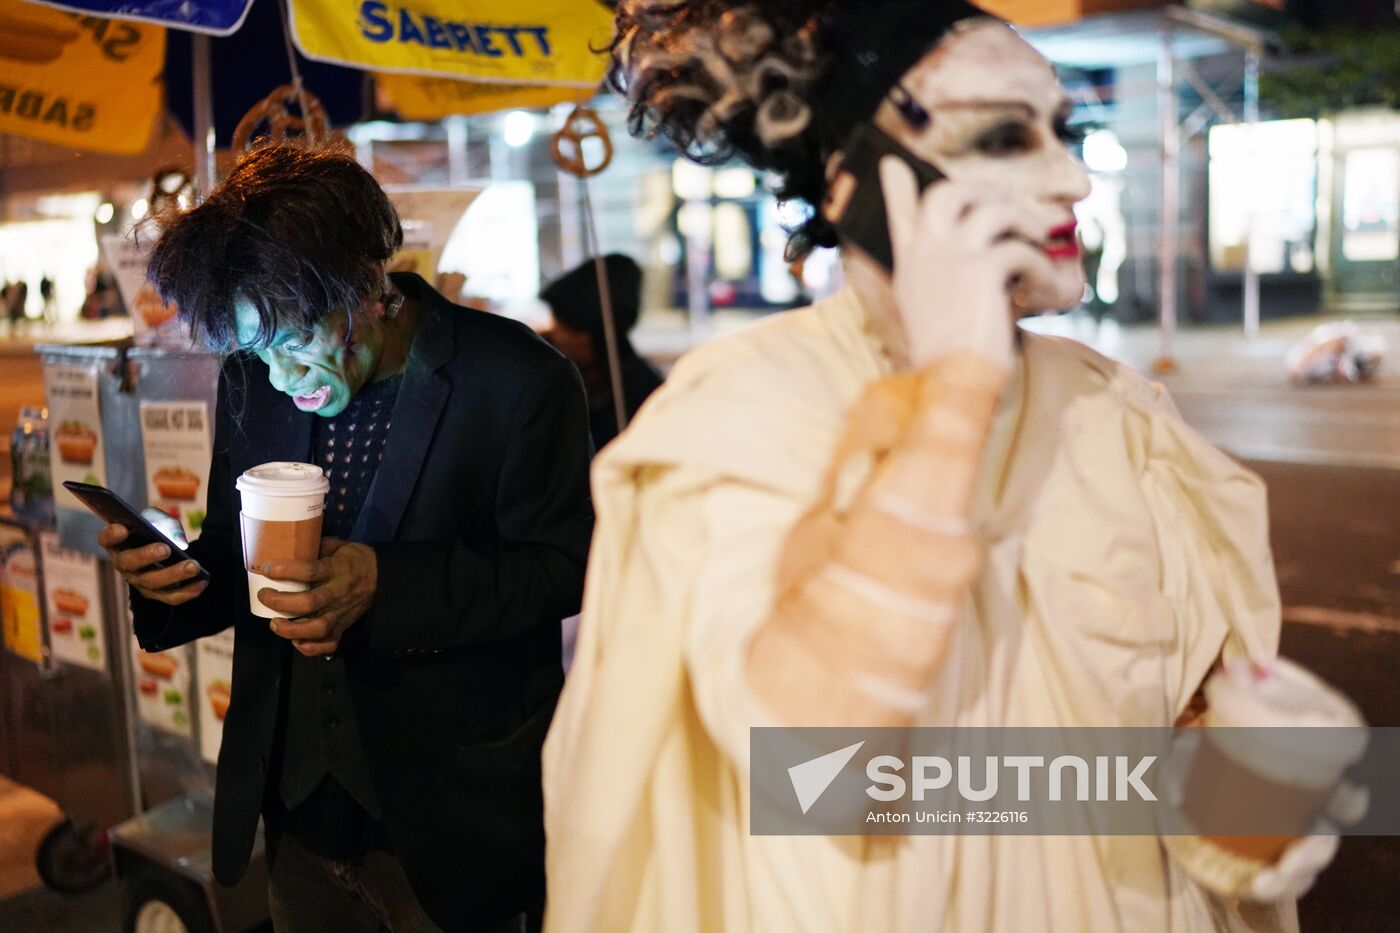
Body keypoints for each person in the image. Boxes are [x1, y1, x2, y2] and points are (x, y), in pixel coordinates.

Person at [543, 3, 1330, 931]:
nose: (1072, 175)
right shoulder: (739, 415)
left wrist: (1270, 790)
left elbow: (1192, 811)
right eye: (1003, 137)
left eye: (1064, 131)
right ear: (856, 184)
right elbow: (814, 771)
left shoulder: (1125, 419)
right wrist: (953, 392)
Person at [100, 145, 593, 932]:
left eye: (296, 343)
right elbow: (236, 550)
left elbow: (565, 567)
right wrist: (174, 580)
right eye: (258, 352)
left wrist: (385, 583)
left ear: (368, 287)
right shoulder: (251, 378)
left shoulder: (517, 379)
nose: (282, 376)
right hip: (294, 812)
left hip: (449, 820)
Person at [541, 254, 664, 449]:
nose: (556, 335)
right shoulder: (572, 377)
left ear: (590, 332)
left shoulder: (638, 391)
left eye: (564, 326)